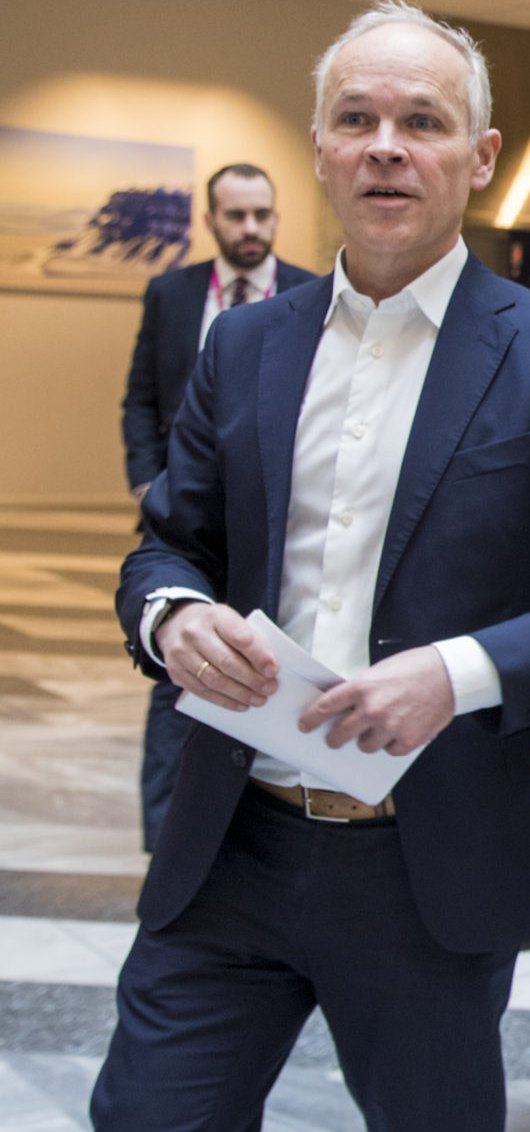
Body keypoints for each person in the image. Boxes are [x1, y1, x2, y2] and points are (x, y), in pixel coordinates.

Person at [93, 0, 530, 1132]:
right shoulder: (244, 349)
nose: (386, 148)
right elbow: (167, 548)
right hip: (233, 846)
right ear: (319, 148)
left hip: (427, 864)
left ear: (482, 156)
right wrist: (172, 618)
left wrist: (455, 675)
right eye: (356, 120)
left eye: (422, 122)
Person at [120, 163, 317, 851]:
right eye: (237, 215)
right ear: (211, 221)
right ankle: (165, 836)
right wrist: (147, 482)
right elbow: (141, 397)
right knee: (178, 658)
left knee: (264, 659)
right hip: (187, 512)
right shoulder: (171, 293)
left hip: (272, 516)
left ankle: (262, 820)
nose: (251, 228)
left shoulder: (311, 294)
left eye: (262, 214)